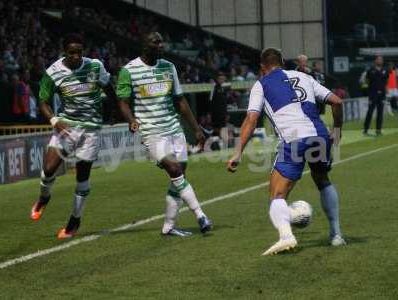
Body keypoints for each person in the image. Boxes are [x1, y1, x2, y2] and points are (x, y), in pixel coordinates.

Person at [227, 48, 345, 256]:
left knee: (277, 195)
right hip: (319, 136)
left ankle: (286, 236)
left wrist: (238, 152)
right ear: (282, 61)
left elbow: (251, 120)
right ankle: (336, 235)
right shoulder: (303, 76)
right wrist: (337, 130)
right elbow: (336, 101)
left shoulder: (261, 84)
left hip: (293, 140)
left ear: (262, 67)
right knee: (322, 179)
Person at [116, 32, 212, 237]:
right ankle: (200, 215)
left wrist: (195, 128)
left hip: (174, 129)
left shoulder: (169, 67)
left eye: (162, 41)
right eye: (155, 42)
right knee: (175, 169)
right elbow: (122, 102)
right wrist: (132, 120)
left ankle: (168, 226)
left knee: (179, 177)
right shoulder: (129, 71)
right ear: (144, 44)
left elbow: (180, 100)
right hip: (151, 131)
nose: (161, 45)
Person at [30, 33, 119, 239]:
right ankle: (44, 198)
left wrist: (114, 110)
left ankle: (74, 220)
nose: (76, 56)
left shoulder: (95, 67)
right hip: (66, 126)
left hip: (91, 129)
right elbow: (42, 101)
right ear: (64, 52)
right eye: (72, 53)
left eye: (79, 52)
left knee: (82, 176)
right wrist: (54, 120)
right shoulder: (53, 72)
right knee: (48, 169)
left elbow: (109, 88)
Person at [363, 55, 388, 136]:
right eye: (378, 59)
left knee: (380, 112)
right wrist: (368, 92)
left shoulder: (385, 70)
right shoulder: (370, 70)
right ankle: (366, 130)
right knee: (370, 112)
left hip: (382, 94)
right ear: (375, 61)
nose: (380, 61)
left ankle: (378, 130)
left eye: (381, 59)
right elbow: (366, 81)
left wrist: (385, 91)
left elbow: (386, 81)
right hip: (373, 94)